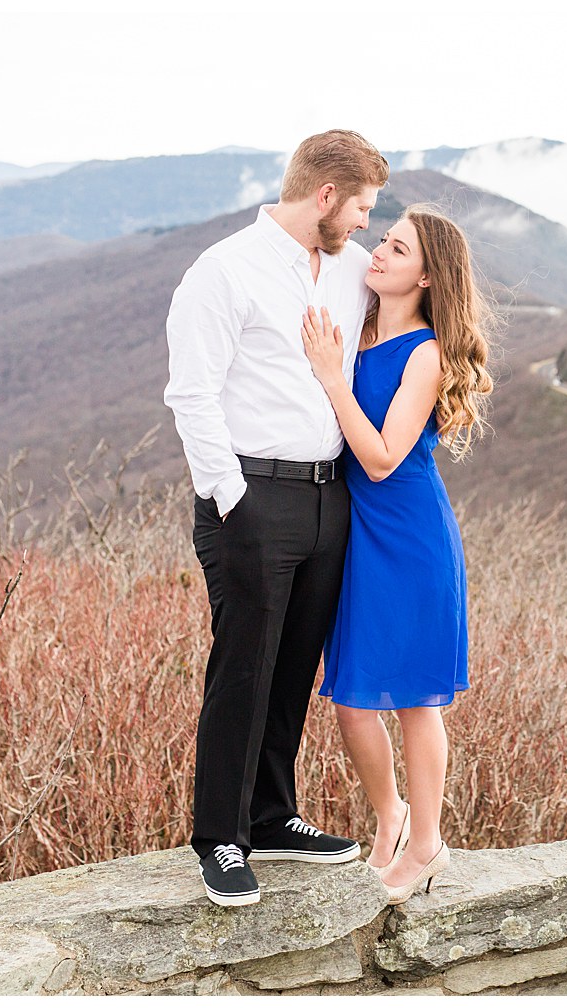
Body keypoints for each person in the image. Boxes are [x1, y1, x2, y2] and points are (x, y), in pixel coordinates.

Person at [163, 130, 391, 906]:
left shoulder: (356, 269)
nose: (365, 223)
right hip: (252, 497)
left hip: (333, 496)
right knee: (244, 670)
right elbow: (190, 395)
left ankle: (269, 816)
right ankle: (220, 838)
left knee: (294, 666)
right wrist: (232, 500)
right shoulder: (223, 272)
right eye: (361, 207)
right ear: (325, 197)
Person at [299, 203, 494, 904]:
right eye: (382, 239)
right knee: (350, 699)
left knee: (414, 701)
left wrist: (331, 378)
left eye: (398, 248)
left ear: (429, 276)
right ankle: (390, 816)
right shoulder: (359, 320)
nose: (378, 251)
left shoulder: (427, 353)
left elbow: (381, 459)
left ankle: (427, 844)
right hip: (356, 537)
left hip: (408, 536)